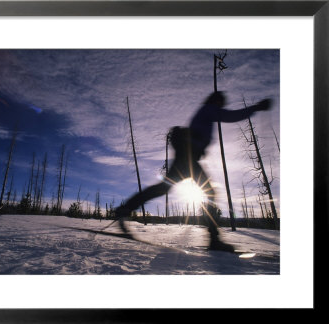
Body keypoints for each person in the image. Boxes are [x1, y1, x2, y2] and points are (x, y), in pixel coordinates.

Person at [115, 91, 272, 252]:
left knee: (163, 189)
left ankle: (125, 209)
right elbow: (230, 116)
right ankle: (214, 240)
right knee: (208, 192)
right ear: (216, 101)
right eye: (221, 103)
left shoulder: (205, 111)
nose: (222, 106)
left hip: (187, 158)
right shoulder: (209, 109)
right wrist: (256, 107)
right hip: (188, 158)